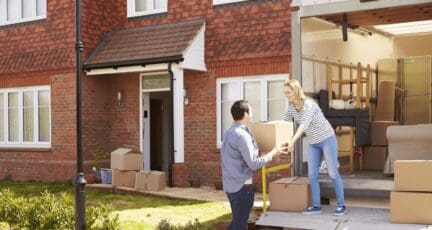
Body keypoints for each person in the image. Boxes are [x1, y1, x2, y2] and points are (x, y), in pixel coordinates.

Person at [282, 79, 347, 216]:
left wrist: (292, 141)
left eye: (288, 92)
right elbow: (284, 124)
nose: (286, 95)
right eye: (285, 93)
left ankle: (342, 205)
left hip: (327, 139)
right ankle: (316, 206)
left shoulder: (309, 105)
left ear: (296, 91)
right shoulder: (291, 108)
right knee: (312, 175)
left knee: (333, 173)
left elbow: (303, 125)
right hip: (313, 143)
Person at [221, 100, 287, 230]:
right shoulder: (242, 136)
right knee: (239, 224)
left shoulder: (230, 132)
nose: (252, 113)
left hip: (231, 186)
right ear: (245, 114)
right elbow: (253, 164)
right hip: (242, 188)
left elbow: (241, 157)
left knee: (237, 222)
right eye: (250, 111)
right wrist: (273, 153)